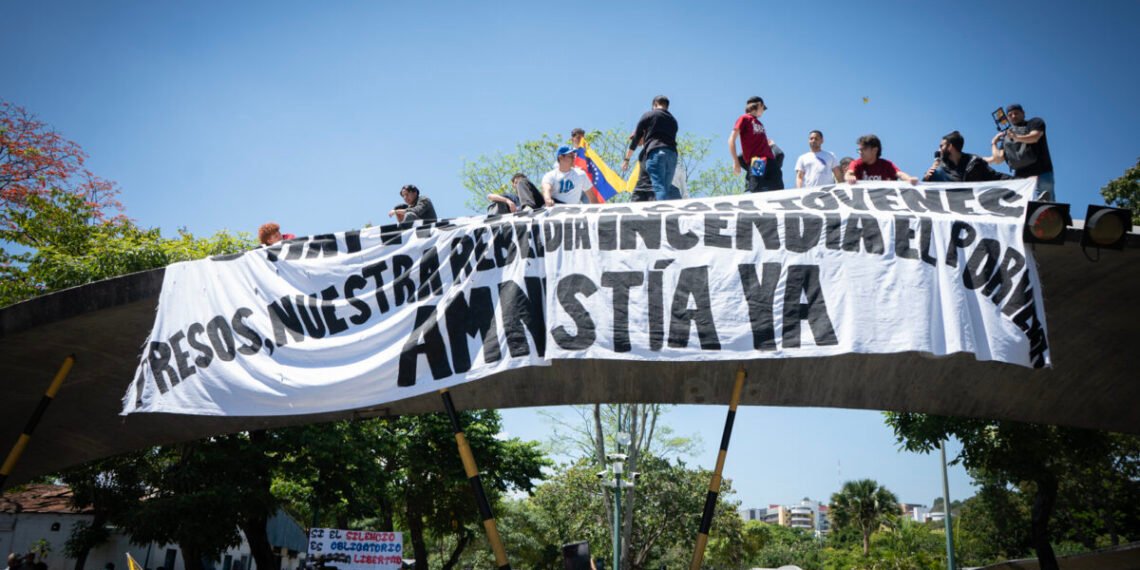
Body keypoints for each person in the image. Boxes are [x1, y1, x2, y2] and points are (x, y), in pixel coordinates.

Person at [987, 103, 1054, 200]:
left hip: (1041, 172)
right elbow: (998, 159)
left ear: (1023, 113)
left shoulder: (1034, 122)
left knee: (1047, 203)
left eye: (1016, 113)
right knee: (1025, 206)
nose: (1013, 116)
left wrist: (1016, 137)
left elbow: (1035, 136)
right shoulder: (1007, 137)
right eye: (1010, 115)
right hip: (1021, 178)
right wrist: (993, 143)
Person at [622, 95, 680, 201]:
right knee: (665, 188)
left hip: (657, 153)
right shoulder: (673, 121)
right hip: (672, 155)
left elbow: (636, 138)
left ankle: (661, 211)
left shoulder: (649, 115)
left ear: (655, 104)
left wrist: (626, 159)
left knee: (658, 187)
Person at [728, 97, 776, 192]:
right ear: (759, 105)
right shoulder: (744, 118)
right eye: (763, 108)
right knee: (756, 189)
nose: (763, 111)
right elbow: (731, 139)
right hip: (758, 160)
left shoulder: (760, 123)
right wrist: (736, 162)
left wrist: (768, 144)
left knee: (778, 189)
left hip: (770, 161)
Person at [923, 130, 1010, 183]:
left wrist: (1021, 181)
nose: (939, 150)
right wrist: (926, 179)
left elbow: (996, 177)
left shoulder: (975, 163)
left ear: (950, 147)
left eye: (941, 146)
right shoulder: (940, 169)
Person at [845, 134, 918, 184]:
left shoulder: (887, 165)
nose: (860, 152)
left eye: (863, 149)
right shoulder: (857, 163)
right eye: (859, 150)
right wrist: (849, 177)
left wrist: (910, 179)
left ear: (875, 150)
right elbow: (849, 174)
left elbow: (900, 174)